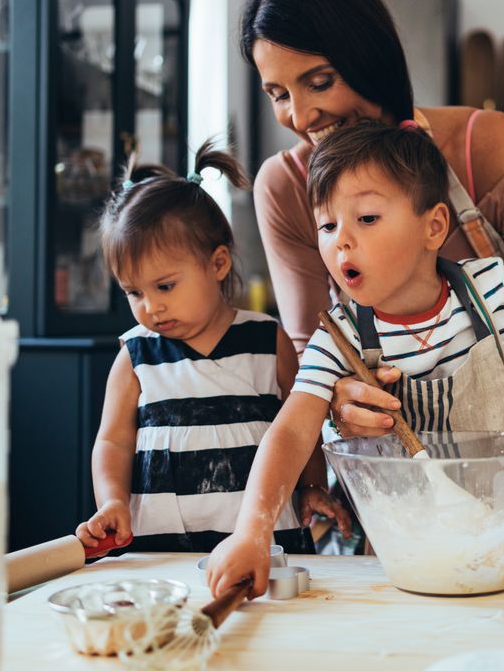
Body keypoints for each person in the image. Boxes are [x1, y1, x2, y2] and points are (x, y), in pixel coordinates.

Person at [206, 122, 504, 598]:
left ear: (434, 226)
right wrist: (251, 533)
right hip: (404, 552)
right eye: (328, 225)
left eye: (368, 218)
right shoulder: (341, 338)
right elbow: (292, 432)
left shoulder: (494, 291)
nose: (342, 241)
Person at [244, 0, 504, 437]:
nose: (301, 116)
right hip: (390, 475)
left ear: (368, 57)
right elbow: (313, 349)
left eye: (320, 82)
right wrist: (339, 401)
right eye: (278, 93)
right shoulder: (284, 186)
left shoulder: (485, 146)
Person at [75, 143, 350, 556]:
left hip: (266, 538)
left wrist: (311, 485)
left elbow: (301, 425)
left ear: (218, 263)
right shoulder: (135, 356)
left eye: (164, 286)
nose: (151, 307)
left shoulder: (266, 339)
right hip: (162, 543)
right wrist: (113, 501)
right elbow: (113, 442)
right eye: (134, 292)